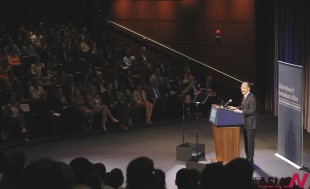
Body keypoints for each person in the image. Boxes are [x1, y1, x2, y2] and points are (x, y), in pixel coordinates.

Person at [228, 81, 256, 164]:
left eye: (244, 88)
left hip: (250, 125)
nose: (242, 89)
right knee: (247, 143)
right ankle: (248, 160)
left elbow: (251, 111)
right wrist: (234, 107)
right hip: (244, 124)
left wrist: (239, 111)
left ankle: (250, 161)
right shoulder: (244, 96)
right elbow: (242, 107)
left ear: (248, 88)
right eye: (241, 87)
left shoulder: (252, 98)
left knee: (250, 144)